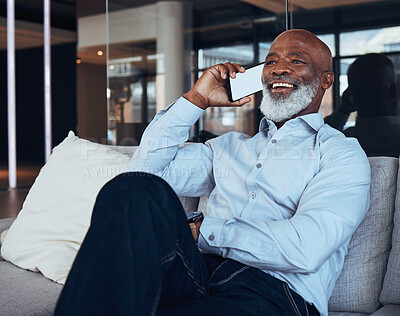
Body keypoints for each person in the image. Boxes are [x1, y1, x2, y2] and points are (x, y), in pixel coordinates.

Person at [55, 29, 371, 316]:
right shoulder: (227, 147)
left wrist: (203, 231)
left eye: (297, 60)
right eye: (271, 61)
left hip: (275, 294)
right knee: (130, 188)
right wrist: (196, 100)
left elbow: (306, 248)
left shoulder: (339, 153)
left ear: (326, 80)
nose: (279, 69)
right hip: (197, 272)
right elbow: (143, 176)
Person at [325, 53, 400, 157]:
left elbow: (318, 135)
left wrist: (343, 110)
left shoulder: (342, 141)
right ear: (394, 91)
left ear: (349, 95)